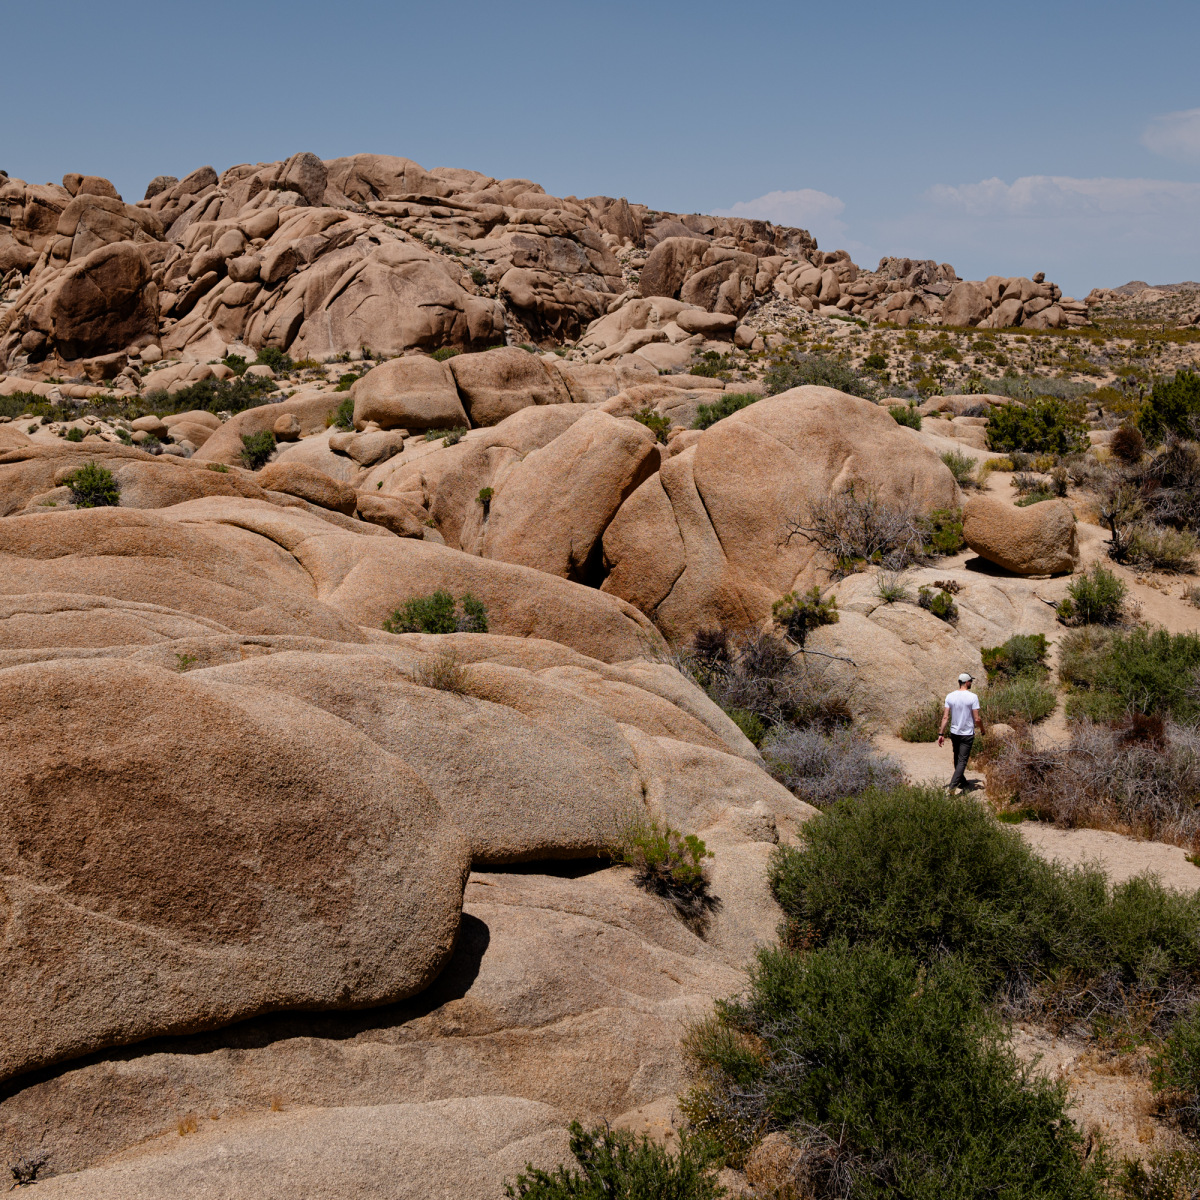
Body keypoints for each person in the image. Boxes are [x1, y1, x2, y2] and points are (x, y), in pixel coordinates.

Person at [937, 672, 981, 793]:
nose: (971, 683)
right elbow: (977, 719)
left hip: (954, 733)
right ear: (967, 682)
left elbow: (945, 717)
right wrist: (982, 729)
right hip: (967, 733)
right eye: (970, 681)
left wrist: (941, 734)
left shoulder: (950, 696)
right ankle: (952, 787)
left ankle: (963, 781)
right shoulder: (973, 697)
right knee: (962, 761)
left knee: (957, 758)